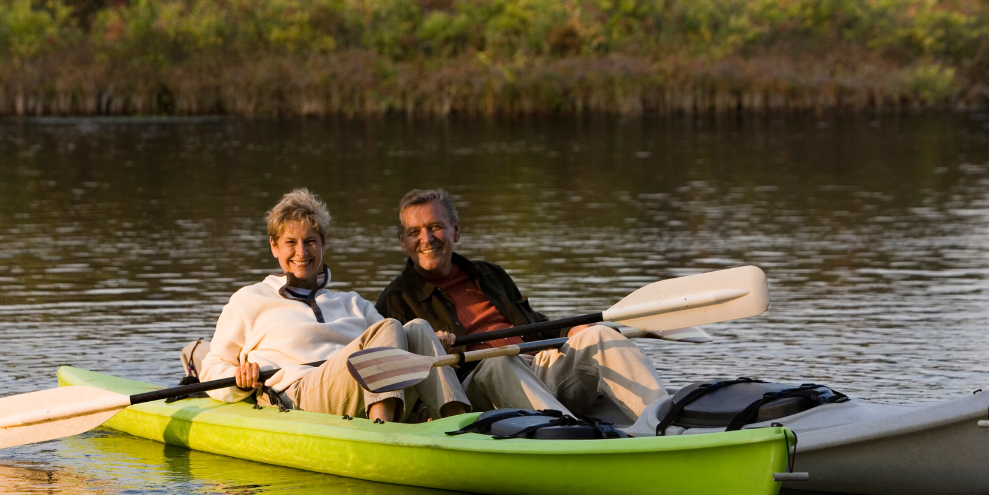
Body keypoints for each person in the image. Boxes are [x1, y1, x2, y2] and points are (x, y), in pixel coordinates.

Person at [375, 188, 668, 424]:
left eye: (435, 227)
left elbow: (534, 321)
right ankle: (570, 437)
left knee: (600, 336)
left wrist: (576, 328)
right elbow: (400, 380)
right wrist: (434, 349)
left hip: (539, 367)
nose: (426, 239)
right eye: (415, 232)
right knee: (498, 361)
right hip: (479, 388)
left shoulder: (490, 274)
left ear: (456, 231)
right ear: (403, 241)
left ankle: (669, 423)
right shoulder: (394, 301)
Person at [201, 188, 470, 423]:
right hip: (299, 394)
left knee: (419, 330)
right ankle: (381, 431)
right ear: (274, 246)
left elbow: (396, 343)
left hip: (356, 388)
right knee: (389, 327)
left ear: (323, 245)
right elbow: (212, 368)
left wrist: (433, 346)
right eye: (290, 243)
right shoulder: (250, 299)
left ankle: (456, 422)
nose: (302, 253)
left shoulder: (353, 303)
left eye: (310, 242)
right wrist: (240, 378)